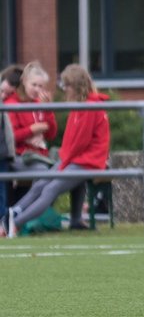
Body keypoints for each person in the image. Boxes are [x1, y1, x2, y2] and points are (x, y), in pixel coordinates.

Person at [6, 64, 110, 237]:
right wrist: (64, 161)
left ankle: (14, 225)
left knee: (49, 189)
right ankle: (14, 212)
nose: (63, 90)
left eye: (65, 86)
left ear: (75, 87)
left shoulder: (89, 107)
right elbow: (71, 141)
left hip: (87, 161)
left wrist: (64, 162)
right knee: (41, 183)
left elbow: (76, 141)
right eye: (35, 85)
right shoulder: (81, 105)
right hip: (75, 159)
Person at [6, 61, 58, 170]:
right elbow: (11, 137)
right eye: (34, 85)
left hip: (40, 155)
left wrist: (48, 109)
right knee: (42, 170)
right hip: (20, 155)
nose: (37, 89)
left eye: (41, 86)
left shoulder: (39, 103)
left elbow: (51, 134)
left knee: (60, 168)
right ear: (24, 82)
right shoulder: (11, 104)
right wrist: (32, 129)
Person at [0, 64, 19, 234]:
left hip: (3, 156)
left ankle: (2, 225)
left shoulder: (5, 108)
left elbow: (9, 135)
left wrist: (11, 157)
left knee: (2, 194)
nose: (4, 97)